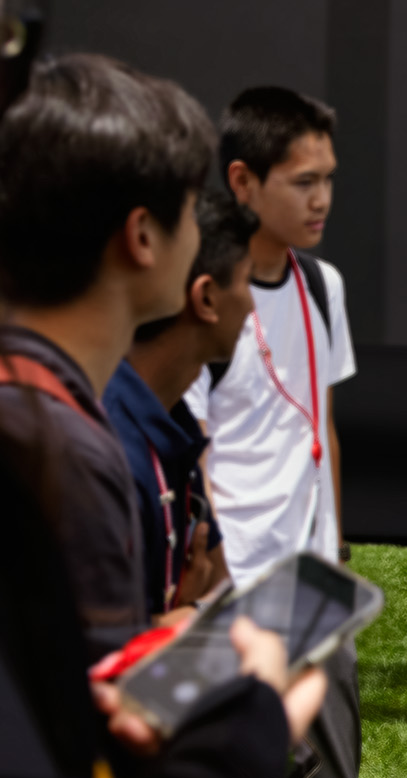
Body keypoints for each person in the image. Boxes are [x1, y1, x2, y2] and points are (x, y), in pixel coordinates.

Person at [0, 50, 325, 778]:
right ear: (143, 237)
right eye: (189, 204)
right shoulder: (68, 453)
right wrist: (255, 714)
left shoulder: (38, 412)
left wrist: (154, 638)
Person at [185, 85, 360, 778]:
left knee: (333, 765)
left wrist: (337, 552)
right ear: (242, 182)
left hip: (315, 592)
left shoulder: (323, 286)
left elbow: (325, 429)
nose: (321, 199)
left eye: (329, 181)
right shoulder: (201, 297)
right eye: (303, 182)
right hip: (232, 599)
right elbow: (190, 446)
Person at [103, 191, 257, 625]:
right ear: (206, 298)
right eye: (247, 282)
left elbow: (214, 574)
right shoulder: (106, 445)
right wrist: (179, 621)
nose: (251, 304)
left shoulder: (174, 423)